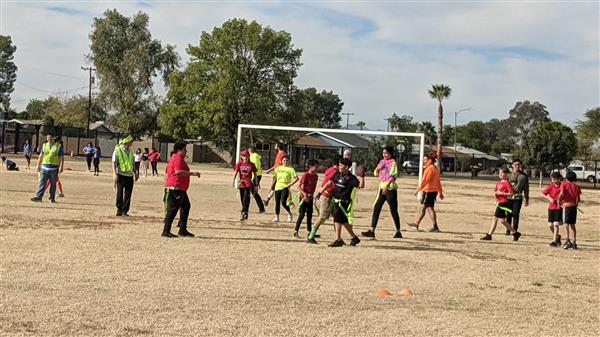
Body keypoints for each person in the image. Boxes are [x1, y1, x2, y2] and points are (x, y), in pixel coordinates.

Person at [319, 158, 362, 247]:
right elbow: (329, 183)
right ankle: (354, 238)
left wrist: (362, 176)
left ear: (346, 167)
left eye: (341, 165)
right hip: (335, 200)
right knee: (343, 221)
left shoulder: (351, 178)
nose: (339, 167)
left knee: (337, 219)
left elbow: (360, 186)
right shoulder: (337, 174)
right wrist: (321, 192)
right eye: (339, 165)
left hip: (344, 201)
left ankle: (338, 240)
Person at [362, 146, 402, 239]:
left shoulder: (393, 163)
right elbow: (375, 174)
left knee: (393, 210)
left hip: (390, 188)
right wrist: (378, 168)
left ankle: (398, 231)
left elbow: (393, 176)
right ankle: (372, 231)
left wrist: (387, 186)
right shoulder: (381, 162)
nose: (384, 155)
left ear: (390, 154)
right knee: (377, 207)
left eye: (386, 153)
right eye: (383, 153)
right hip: (381, 187)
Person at [162, 141, 201, 237]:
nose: (186, 151)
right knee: (173, 209)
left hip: (179, 188)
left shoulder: (175, 158)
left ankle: (182, 229)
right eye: (184, 149)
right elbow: (178, 172)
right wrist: (192, 173)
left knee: (186, 206)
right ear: (179, 150)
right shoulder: (178, 159)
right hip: (176, 188)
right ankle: (166, 231)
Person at [480, 167, 521, 241]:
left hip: (504, 203)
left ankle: (489, 235)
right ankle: (515, 233)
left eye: (502, 173)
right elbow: (496, 192)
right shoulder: (498, 183)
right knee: (502, 221)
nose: (500, 174)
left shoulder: (507, 183)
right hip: (499, 202)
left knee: (495, 218)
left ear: (506, 174)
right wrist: (496, 198)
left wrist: (502, 193)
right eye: (499, 173)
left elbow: (511, 193)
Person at [408, 153, 445, 232]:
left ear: (430, 160)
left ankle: (417, 224)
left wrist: (418, 189)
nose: (424, 162)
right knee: (428, 208)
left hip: (428, 190)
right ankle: (433, 226)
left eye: (425, 160)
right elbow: (438, 182)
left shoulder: (430, 169)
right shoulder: (434, 168)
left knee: (425, 207)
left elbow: (425, 181)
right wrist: (440, 192)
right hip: (433, 191)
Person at [307, 156, 340, 244]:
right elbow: (331, 184)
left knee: (337, 217)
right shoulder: (335, 172)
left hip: (327, 196)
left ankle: (338, 239)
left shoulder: (329, 170)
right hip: (326, 197)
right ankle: (311, 236)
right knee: (322, 217)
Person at [31, 134, 64, 203]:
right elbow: (41, 155)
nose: (49, 139)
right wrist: (38, 165)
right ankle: (39, 197)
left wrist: (61, 166)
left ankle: (51, 198)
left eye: (51, 138)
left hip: (54, 168)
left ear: (53, 138)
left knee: (53, 184)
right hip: (44, 167)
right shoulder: (44, 145)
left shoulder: (58, 146)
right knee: (42, 183)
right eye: (48, 138)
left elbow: (61, 157)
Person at [112, 135, 138, 216]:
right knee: (119, 193)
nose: (131, 144)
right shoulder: (118, 150)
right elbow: (113, 162)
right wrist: (114, 173)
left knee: (128, 194)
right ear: (127, 142)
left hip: (129, 175)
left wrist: (135, 172)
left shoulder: (130, 151)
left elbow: (132, 163)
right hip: (120, 174)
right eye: (130, 142)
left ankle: (125, 210)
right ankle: (119, 209)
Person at [294, 159, 319, 238]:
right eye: (316, 166)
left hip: (310, 197)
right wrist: (304, 194)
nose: (317, 168)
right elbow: (298, 186)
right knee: (302, 214)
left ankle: (309, 232)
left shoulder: (316, 176)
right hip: (303, 198)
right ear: (311, 167)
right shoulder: (306, 175)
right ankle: (296, 231)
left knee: (309, 215)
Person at [506, 159, 529, 235]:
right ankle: (508, 229)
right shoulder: (509, 175)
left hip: (518, 198)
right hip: (509, 197)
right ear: (512, 165)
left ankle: (514, 230)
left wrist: (526, 198)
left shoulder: (524, 176)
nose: (517, 166)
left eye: (519, 164)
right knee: (508, 214)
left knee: (515, 214)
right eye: (515, 165)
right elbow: (505, 186)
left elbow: (526, 188)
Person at [559, 171, 581, 249]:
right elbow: (578, 198)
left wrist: (559, 201)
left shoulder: (564, 185)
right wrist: (576, 204)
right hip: (573, 207)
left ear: (567, 178)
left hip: (566, 206)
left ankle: (567, 240)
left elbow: (561, 194)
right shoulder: (577, 186)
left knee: (566, 224)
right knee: (572, 225)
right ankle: (574, 241)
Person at [233, 149, 257, 221]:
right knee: (242, 198)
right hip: (241, 183)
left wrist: (256, 184)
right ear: (241, 156)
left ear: (249, 156)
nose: (245, 157)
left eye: (247, 156)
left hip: (248, 182)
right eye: (244, 156)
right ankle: (245, 212)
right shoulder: (239, 164)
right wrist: (234, 181)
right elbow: (236, 172)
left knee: (246, 197)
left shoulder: (252, 164)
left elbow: (255, 175)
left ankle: (243, 212)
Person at [272, 156, 298, 223]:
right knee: (277, 202)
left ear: (288, 161)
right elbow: (274, 177)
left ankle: (289, 214)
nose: (285, 162)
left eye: (286, 160)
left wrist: (291, 184)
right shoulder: (278, 168)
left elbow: (296, 178)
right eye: (284, 160)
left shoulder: (291, 169)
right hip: (278, 187)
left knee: (283, 202)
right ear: (282, 161)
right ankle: (277, 217)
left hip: (285, 187)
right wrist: (272, 186)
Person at [542, 172, 563, 247]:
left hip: (558, 207)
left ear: (559, 178)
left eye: (555, 179)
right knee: (550, 225)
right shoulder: (551, 186)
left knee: (556, 224)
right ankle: (557, 236)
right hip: (551, 207)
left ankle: (554, 241)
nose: (553, 180)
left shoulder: (562, 186)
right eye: (552, 179)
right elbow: (543, 193)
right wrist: (549, 198)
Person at [248, 147, 266, 213]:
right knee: (252, 192)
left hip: (255, 176)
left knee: (253, 192)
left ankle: (261, 208)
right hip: (256, 176)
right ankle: (261, 208)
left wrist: (254, 178)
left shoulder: (254, 156)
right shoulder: (255, 156)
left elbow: (256, 167)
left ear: (250, 150)